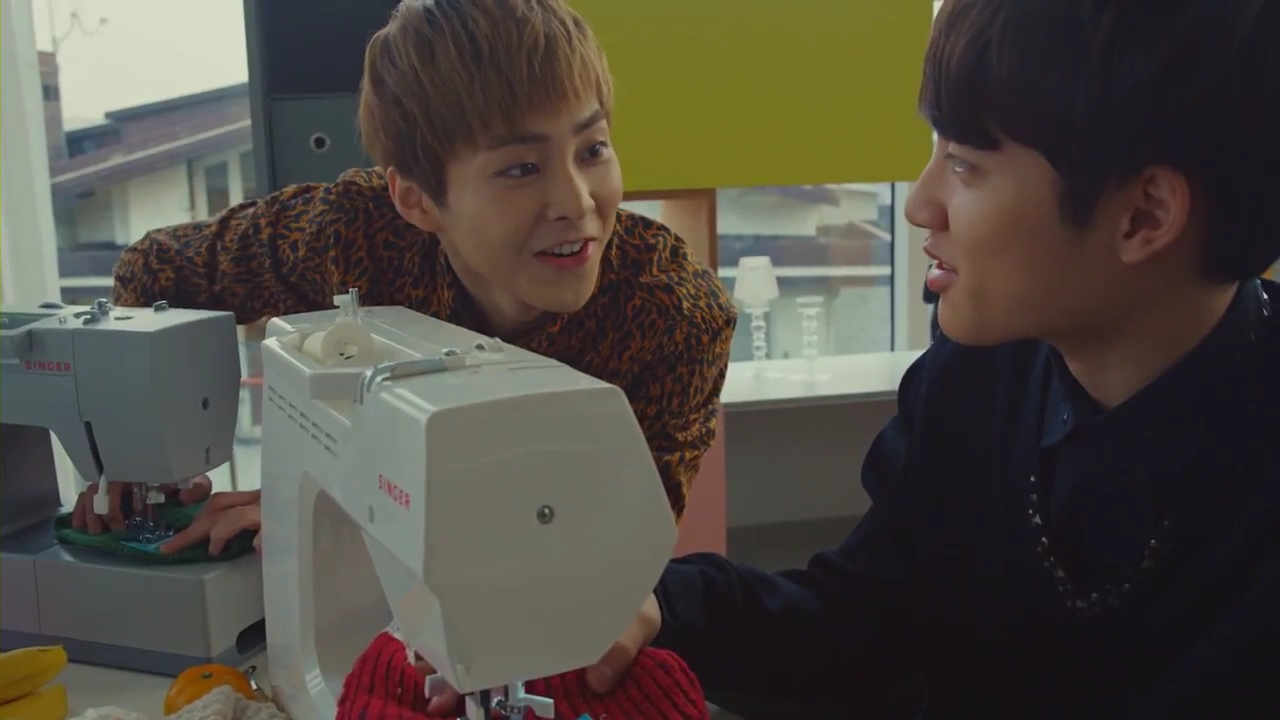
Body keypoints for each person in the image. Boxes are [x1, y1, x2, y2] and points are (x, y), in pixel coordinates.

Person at [546, 1, 1278, 717]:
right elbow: (864, 625)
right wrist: (662, 605)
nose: (919, 205)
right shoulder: (978, 376)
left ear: (1144, 215)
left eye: (964, 165)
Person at [73, 0, 736, 554]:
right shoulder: (357, 235)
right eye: (521, 168)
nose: (577, 201)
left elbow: (620, 548)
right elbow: (155, 269)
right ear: (416, 200)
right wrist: (139, 453)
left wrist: (341, 519)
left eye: (593, 150)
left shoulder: (675, 315)